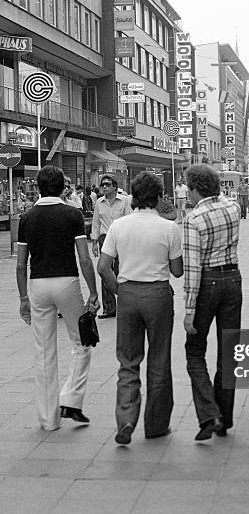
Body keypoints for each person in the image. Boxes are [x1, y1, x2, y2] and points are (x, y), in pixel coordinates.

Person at [98, 172, 183, 446]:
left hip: (128, 293)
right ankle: (156, 425)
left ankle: (125, 420)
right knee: (159, 360)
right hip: (157, 294)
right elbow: (177, 271)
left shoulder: (118, 226)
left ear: (133, 197)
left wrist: (120, 291)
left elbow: (103, 267)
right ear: (158, 197)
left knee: (127, 361)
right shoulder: (169, 228)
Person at [16, 165, 100, 431]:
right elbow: (84, 259)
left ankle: (48, 419)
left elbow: (20, 264)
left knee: (43, 351)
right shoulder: (72, 214)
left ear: (39, 187)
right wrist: (94, 291)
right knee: (82, 342)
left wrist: (22, 298)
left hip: (38, 284)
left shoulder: (27, 217)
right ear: (63, 187)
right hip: (67, 281)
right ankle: (71, 397)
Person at [183, 164, 242, 441]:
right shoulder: (234, 208)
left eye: (188, 190)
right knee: (228, 351)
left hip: (207, 283)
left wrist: (189, 309)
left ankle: (209, 414)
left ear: (196, 189)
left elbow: (192, 268)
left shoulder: (193, 219)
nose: (187, 195)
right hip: (233, 279)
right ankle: (226, 418)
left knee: (195, 350)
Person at [91, 174, 131, 319]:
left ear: (115, 186)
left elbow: (129, 220)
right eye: (103, 185)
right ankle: (109, 308)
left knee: (121, 271)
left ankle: (124, 305)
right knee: (105, 271)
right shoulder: (99, 203)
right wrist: (94, 242)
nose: (105, 187)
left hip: (121, 238)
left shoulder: (125, 201)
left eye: (108, 184)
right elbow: (96, 223)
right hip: (105, 238)